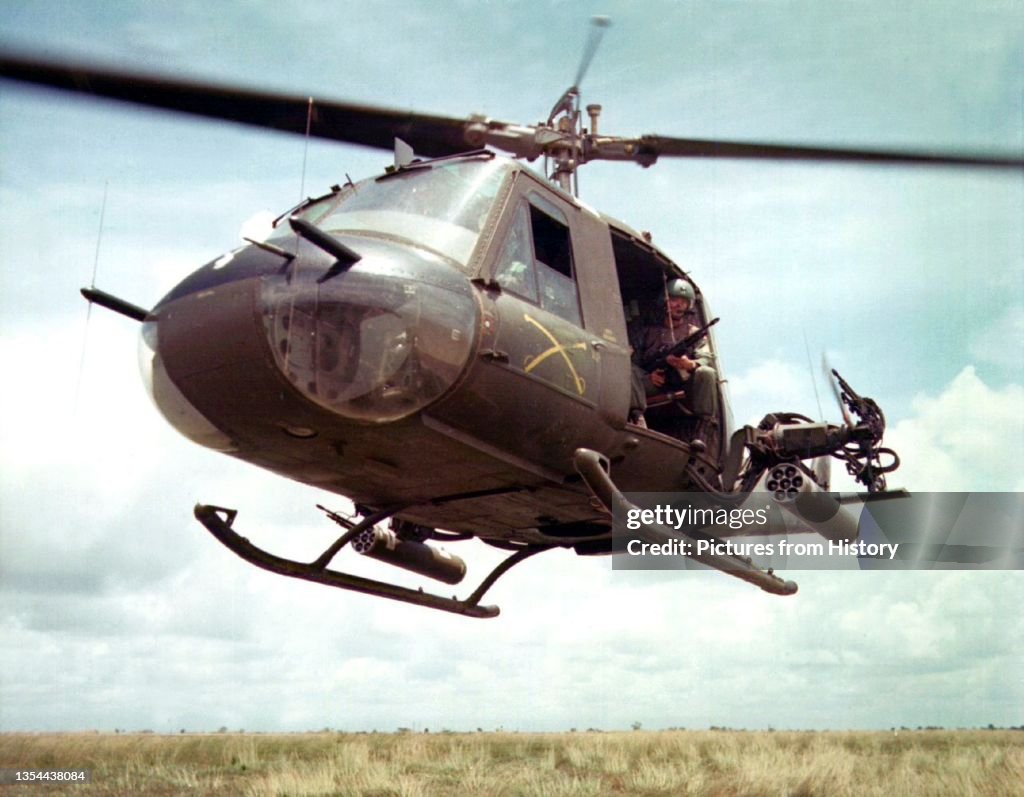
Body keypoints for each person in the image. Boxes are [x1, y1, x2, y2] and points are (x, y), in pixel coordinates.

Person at [630, 278, 719, 452]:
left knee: (707, 372)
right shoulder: (647, 332)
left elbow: (706, 357)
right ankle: (637, 419)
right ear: (664, 301)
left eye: (683, 302)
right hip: (654, 382)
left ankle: (702, 429)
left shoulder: (693, 333)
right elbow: (635, 362)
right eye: (674, 300)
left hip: (683, 382)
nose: (679, 305)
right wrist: (649, 376)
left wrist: (690, 364)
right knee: (629, 370)